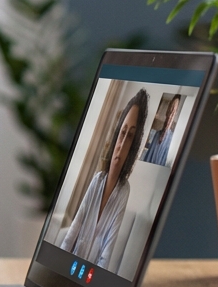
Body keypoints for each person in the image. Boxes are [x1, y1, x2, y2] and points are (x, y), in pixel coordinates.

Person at [58, 89, 149, 270]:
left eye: (130, 136)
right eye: (122, 133)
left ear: (134, 145)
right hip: (69, 267)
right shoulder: (98, 179)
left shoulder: (124, 190)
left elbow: (107, 251)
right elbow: (73, 230)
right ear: (116, 136)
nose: (122, 144)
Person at [141, 94, 182, 166]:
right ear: (167, 111)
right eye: (170, 109)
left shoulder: (172, 140)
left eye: (174, 112)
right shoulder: (157, 134)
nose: (171, 115)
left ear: (176, 114)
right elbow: (148, 157)